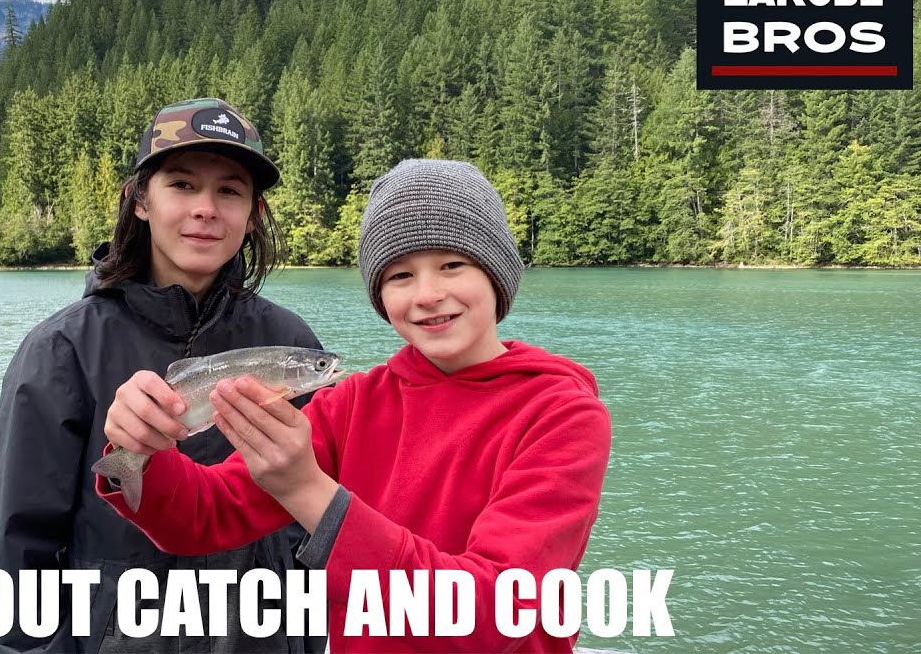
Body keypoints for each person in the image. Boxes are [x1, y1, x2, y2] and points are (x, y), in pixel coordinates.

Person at [98, 158, 612, 652]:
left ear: (498, 274)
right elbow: (202, 519)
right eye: (400, 276)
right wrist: (139, 450)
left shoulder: (562, 415)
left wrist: (305, 488)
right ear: (379, 295)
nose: (428, 294)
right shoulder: (351, 404)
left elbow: (497, 613)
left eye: (452, 265)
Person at [0, 97, 323, 653]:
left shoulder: (290, 345)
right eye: (183, 185)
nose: (206, 209)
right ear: (140, 199)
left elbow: (310, 528)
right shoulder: (60, 350)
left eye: (230, 191)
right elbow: (21, 544)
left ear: (252, 213)